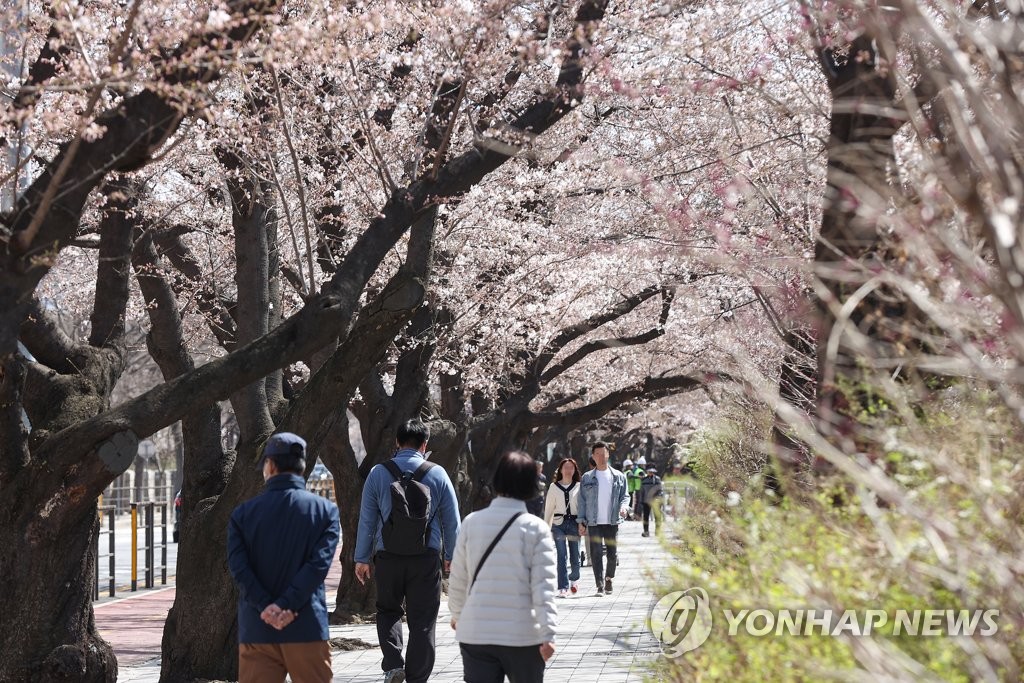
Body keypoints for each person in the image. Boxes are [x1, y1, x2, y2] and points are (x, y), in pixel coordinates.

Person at [227, 432, 341, 683]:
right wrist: (286, 605)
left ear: (270, 465)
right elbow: (317, 567)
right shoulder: (325, 511)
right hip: (305, 624)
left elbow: (239, 568)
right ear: (301, 466)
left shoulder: (243, 514)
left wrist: (267, 607)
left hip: (258, 627)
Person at [354, 419, 461, 683]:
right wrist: (452, 557)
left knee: (388, 610)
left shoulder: (378, 473)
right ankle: (417, 678)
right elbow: (451, 520)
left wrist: (361, 558)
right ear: (425, 444)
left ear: (397, 443)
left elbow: (366, 519)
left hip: (388, 556)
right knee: (423, 620)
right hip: (425, 558)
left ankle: (393, 665)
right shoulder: (437, 473)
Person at [449, 450, 558, 682]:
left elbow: (459, 577)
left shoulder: (471, 523)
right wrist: (548, 632)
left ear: (497, 480)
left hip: (476, 633)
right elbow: (544, 586)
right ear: (531, 484)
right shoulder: (536, 529)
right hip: (522, 635)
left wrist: (457, 615)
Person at [577, 442, 629, 596]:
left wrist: (624, 507)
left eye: (603, 453)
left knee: (612, 554)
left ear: (608, 454)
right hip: (594, 522)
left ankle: (609, 578)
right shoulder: (587, 477)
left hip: (612, 521)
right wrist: (581, 521)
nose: (601, 457)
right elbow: (582, 501)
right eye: (597, 454)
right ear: (593, 456)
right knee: (596, 553)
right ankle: (599, 585)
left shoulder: (619, 476)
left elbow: (625, 496)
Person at [543, 457, 582, 597]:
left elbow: (582, 508)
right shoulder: (554, 487)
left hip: (574, 523)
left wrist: (584, 523)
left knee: (575, 554)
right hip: (558, 524)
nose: (568, 470)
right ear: (560, 470)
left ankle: (574, 580)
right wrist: (546, 528)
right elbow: (548, 509)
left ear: (574, 470)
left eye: (571, 468)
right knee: (561, 554)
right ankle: (563, 587)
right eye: (565, 467)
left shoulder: (579, 486)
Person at [639, 465, 664, 537]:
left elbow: (660, 490)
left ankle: (658, 531)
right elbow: (642, 491)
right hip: (646, 501)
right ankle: (646, 531)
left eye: (652, 472)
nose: (651, 473)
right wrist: (641, 501)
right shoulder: (644, 480)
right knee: (646, 517)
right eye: (649, 472)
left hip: (655, 501)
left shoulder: (657, 479)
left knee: (657, 516)